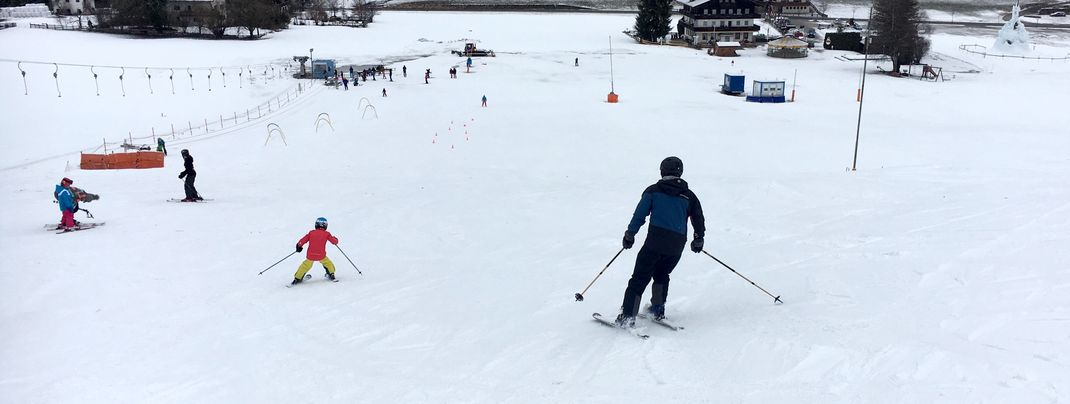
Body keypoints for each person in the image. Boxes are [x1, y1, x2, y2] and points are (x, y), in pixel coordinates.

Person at [616, 156, 705, 327]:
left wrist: (630, 234)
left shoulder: (653, 191)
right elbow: (698, 218)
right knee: (662, 274)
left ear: (662, 171)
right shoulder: (689, 196)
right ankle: (657, 309)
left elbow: (640, 215)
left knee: (640, 278)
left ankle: (628, 316)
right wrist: (698, 239)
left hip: (654, 243)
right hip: (676, 245)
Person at [293, 217, 339, 284]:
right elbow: (334, 242)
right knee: (327, 263)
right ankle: (331, 274)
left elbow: (303, 240)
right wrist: (335, 239)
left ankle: (297, 278)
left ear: (316, 225)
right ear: (326, 226)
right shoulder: (327, 234)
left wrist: (299, 246)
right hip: (321, 255)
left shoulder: (311, 233)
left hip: (310, 255)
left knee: (305, 265)